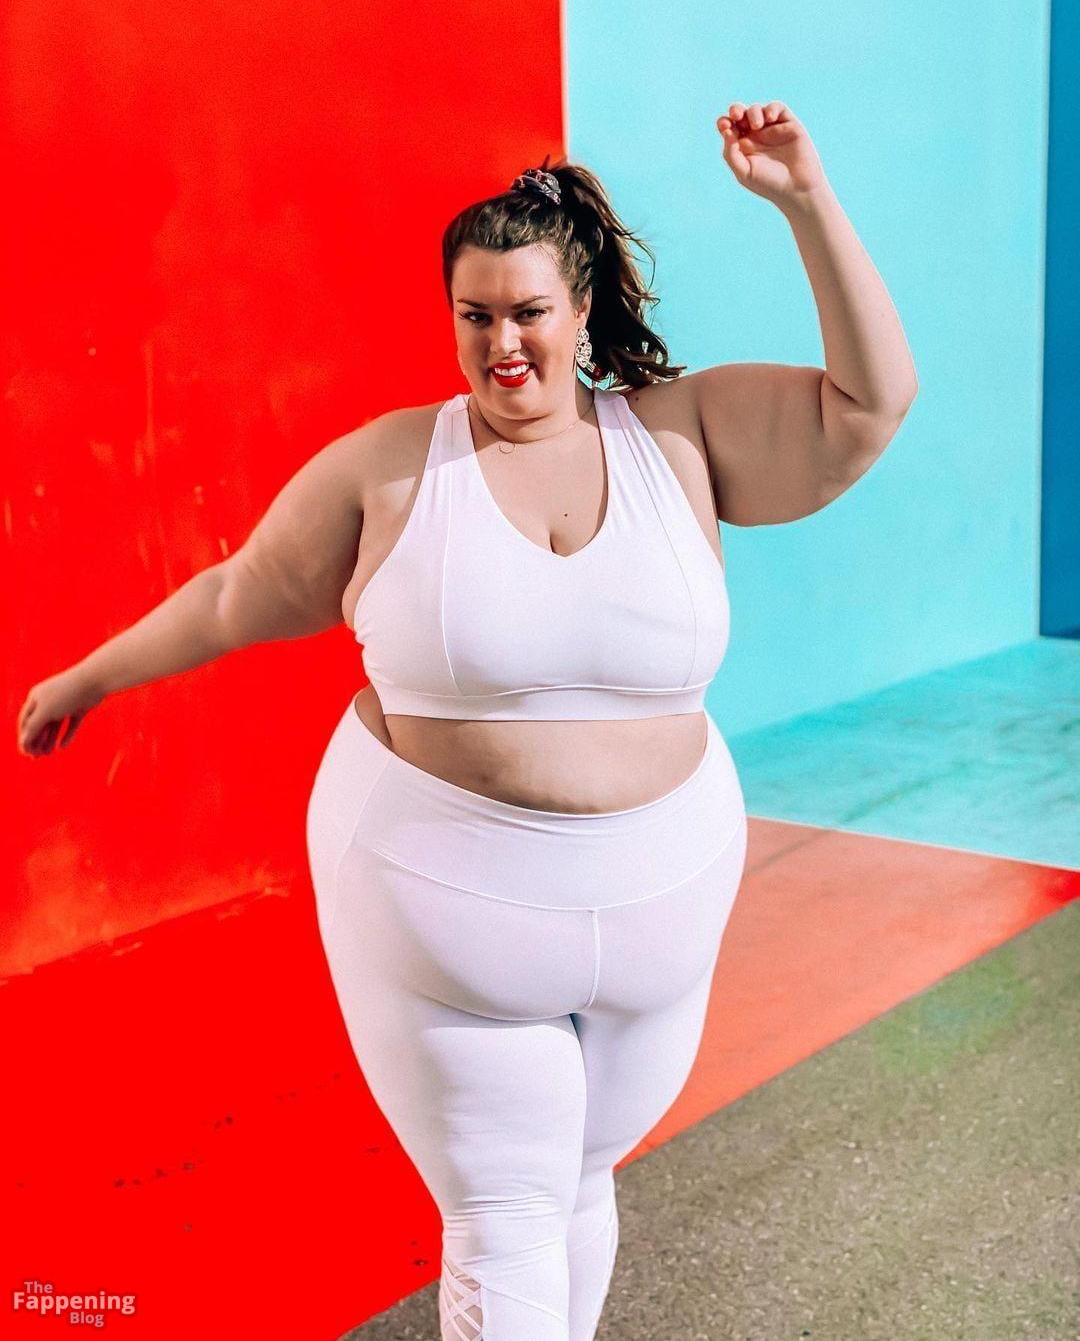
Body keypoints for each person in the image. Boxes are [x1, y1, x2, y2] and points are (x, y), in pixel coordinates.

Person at [17, 105, 917, 1339]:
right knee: (506, 1220)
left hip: (661, 908)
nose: (501, 344)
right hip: (450, 910)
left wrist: (806, 201)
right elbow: (236, 595)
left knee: (578, 1186)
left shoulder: (681, 435)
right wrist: (87, 679)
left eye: (527, 312)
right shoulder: (393, 470)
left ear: (582, 309)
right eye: (474, 314)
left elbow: (869, 405)